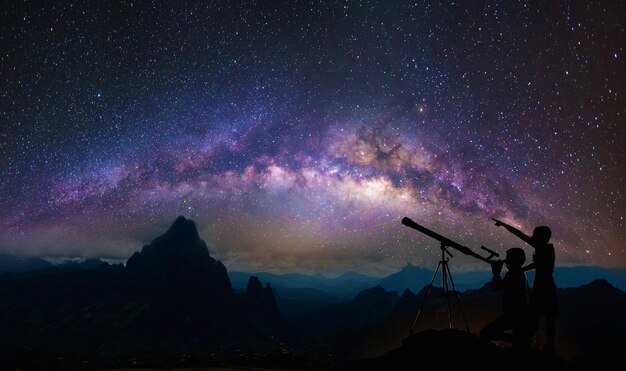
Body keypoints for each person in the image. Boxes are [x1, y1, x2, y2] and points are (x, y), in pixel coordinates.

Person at [492, 219, 558, 352]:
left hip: (542, 286)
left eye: (535, 235)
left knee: (539, 316)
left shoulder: (543, 248)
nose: (532, 238)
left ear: (541, 237)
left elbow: (521, 235)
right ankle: (536, 343)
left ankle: (530, 343)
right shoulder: (546, 249)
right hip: (544, 285)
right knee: (544, 316)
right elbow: (537, 264)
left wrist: (505, 225)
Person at [480, 248, 529, 348]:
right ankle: (520, 340)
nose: (505, 261)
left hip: (513, 316)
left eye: (508, 258)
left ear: (514, 260)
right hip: (518, 315)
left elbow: (495, 287)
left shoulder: (513, 274)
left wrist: (496, 273)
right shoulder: (518, 273)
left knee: (485, 334)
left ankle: (519, 340)